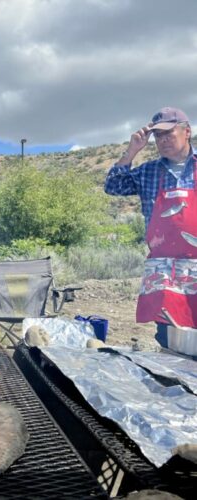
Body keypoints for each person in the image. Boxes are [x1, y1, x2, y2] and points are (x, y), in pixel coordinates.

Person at [104, 107, 197, 348]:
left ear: (187, 132)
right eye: (158, 136)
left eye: (169, 133)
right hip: (164, 267)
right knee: (169, 336)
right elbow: (113, 185)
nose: (163, 140)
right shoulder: (148, 172)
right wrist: (132, 149)